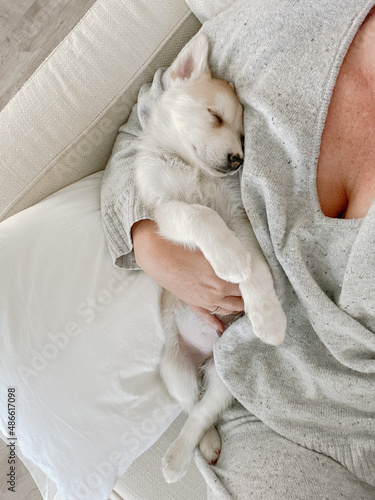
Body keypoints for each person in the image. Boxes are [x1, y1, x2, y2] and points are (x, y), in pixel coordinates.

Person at [101, 0, 375, 498]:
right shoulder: (277, 22)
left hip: (355, 410)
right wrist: (152, 243)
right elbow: (141, 132)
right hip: (252, 387)